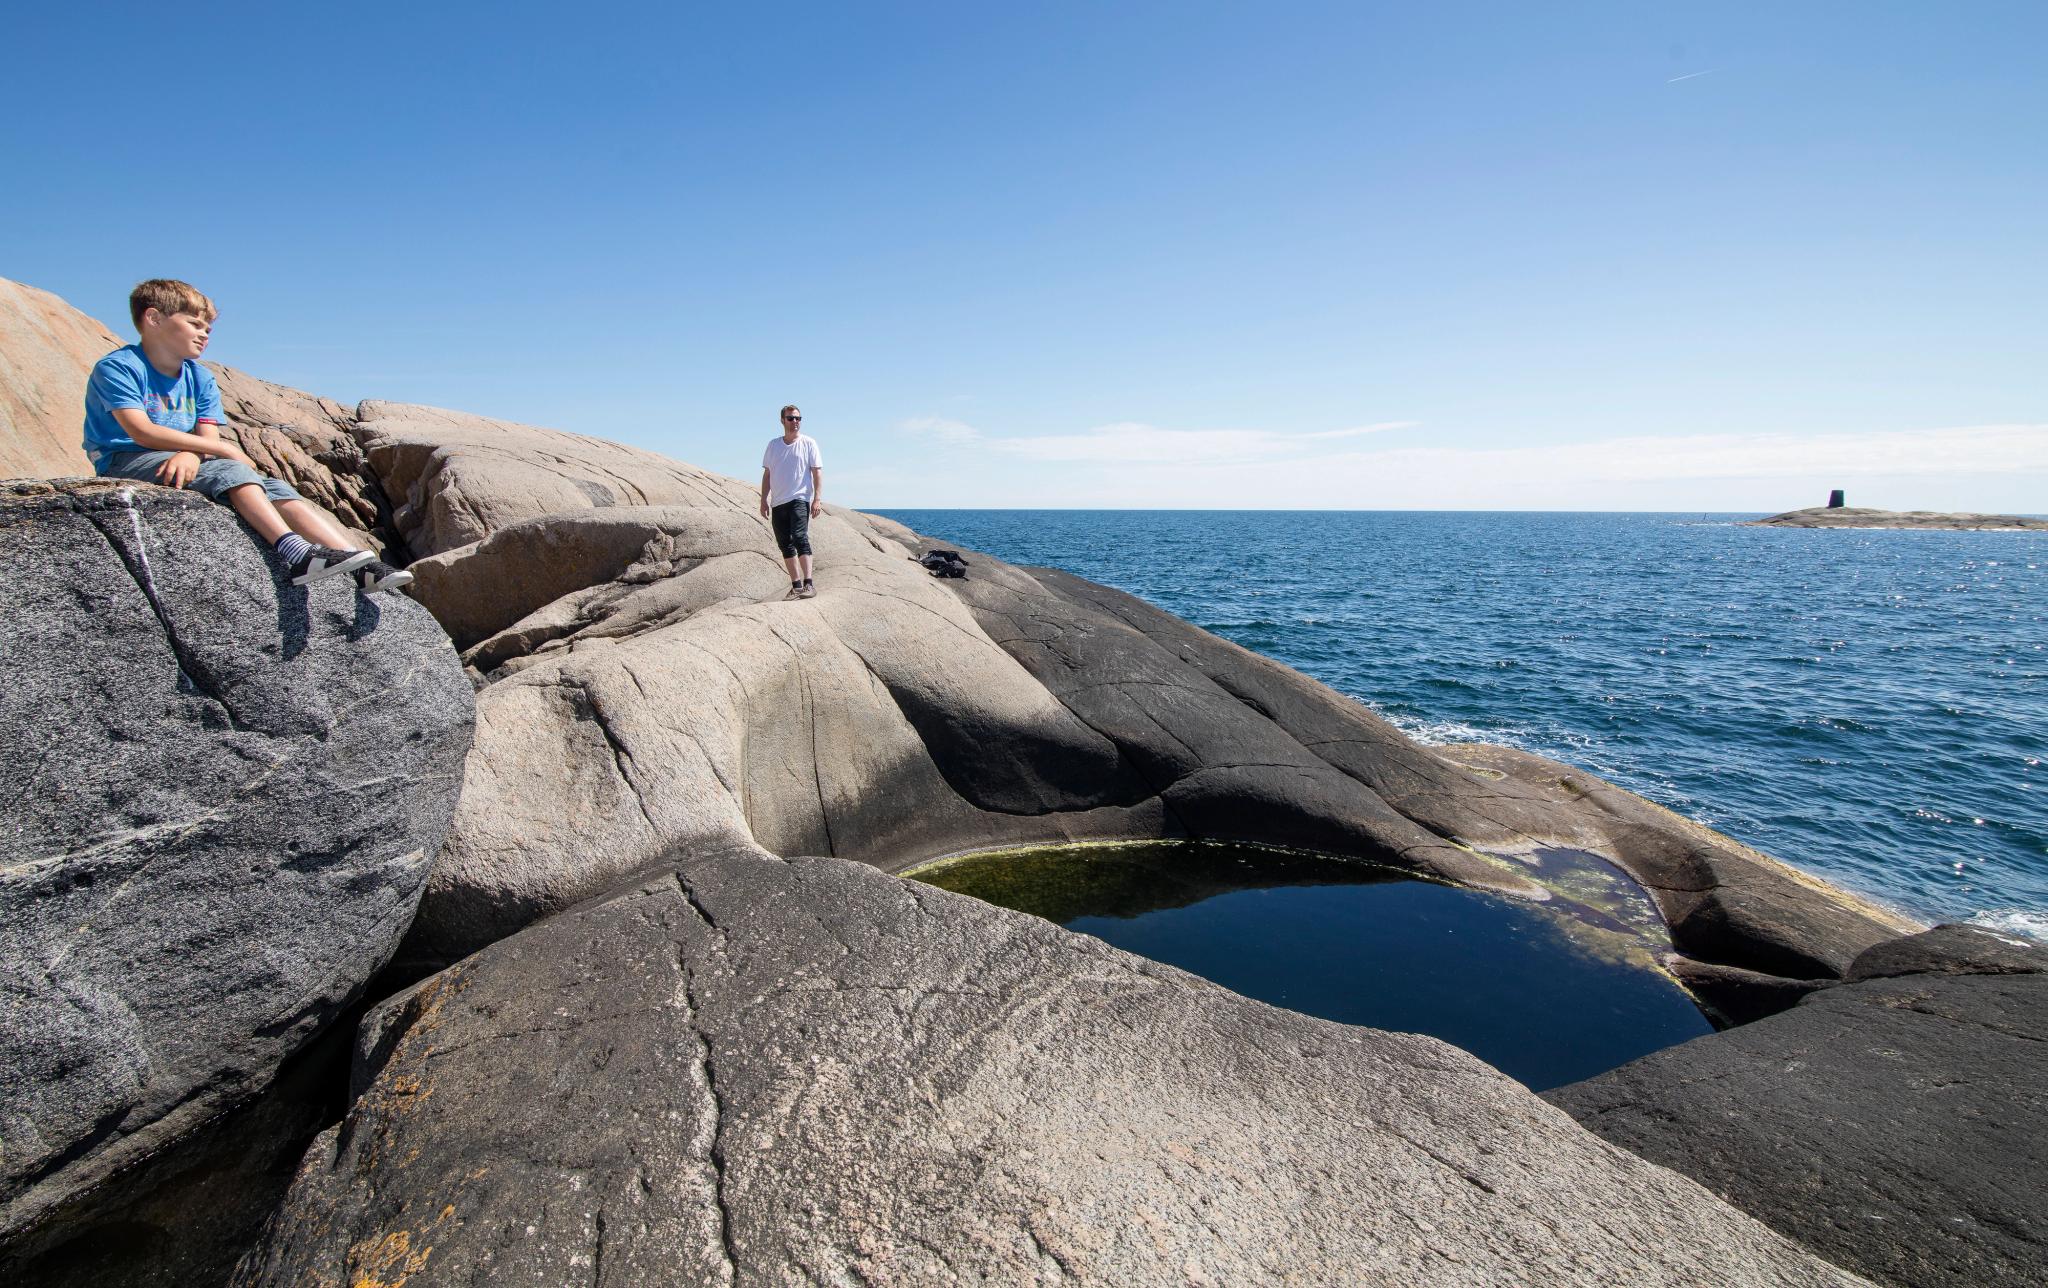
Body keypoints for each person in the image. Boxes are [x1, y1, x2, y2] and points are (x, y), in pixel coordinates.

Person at [82, 279, 411, 593]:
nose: (204, 334)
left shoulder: (200, 378)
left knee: (275, 487)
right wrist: (209, 451)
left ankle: (359, 565)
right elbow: (140, 430)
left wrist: (190, 453)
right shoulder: (120, 368)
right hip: (125, 459)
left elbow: (207, 437)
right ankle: (295, 553)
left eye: (208, 328)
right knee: (233, 470)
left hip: (182, 459)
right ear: (153, 318)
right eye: (195, 324)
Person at [759, 403, 824, 600]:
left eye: (798, 418)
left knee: (799, 537)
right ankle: (796, 586)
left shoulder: (808, 443)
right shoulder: (773, 445)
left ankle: (809, 584)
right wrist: (764, 500)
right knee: (784, 543)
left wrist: (817, 499)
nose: (795, 422)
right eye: (791, 418)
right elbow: (767, 474)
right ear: (782, 420)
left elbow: (817, 472)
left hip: (799, 498)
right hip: (778, 502)